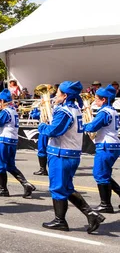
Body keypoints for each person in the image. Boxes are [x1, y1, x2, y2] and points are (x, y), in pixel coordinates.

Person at [39, 81, 105, 233]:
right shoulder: (74, 109)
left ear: (65, 95)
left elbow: (54, 131)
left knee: (57, 188)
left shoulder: (65, 111)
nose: (55, 95)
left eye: (57, 93)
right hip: (71, 154)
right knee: (67, 188)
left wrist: (42, 125)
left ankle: (60, 220)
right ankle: (91, 214)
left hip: (61, 154)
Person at [0, 89, 36, 198]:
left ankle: (3, 189)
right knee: (10, 166)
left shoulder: (5, 111)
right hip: (12, 140)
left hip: (4, 140)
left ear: (2, 101)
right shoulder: (13, 110)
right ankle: (25, 184)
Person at [83, 84, 120, 213]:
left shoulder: (104, 112)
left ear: (104, 99)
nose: (95, 101)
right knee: (105, 174)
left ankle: (106, 205)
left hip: (106, 146)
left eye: (97, 99)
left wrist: (83, 125)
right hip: (112, 145)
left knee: (100, 174)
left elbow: (93, 127)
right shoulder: (113, 110)